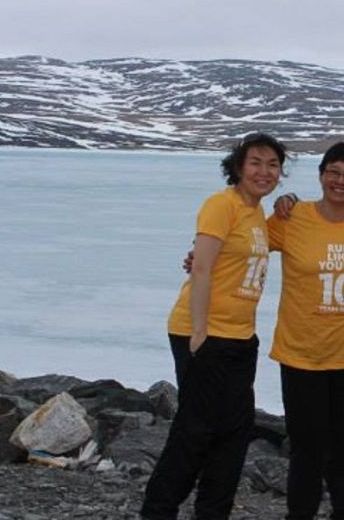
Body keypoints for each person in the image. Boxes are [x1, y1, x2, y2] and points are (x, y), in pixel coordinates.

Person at [141, 132, 286, 520]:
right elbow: (202, 267)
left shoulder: (255, 213)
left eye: (273, 165)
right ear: (238, 166)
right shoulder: (221, 205)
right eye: (255, 162)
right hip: (203, 333)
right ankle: (158, 510)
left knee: (235, 432)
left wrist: (287, 207)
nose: (264, 171)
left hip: (241, 337)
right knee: (195, 432)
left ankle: (212, 512)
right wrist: (200, 334)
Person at [266, 142, 344, 520]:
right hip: (301, 352)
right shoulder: (292, 216)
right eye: (334, 172)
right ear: (321, 175)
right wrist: (198, 254)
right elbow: (245, 244)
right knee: (306, 447)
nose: (341, 181)